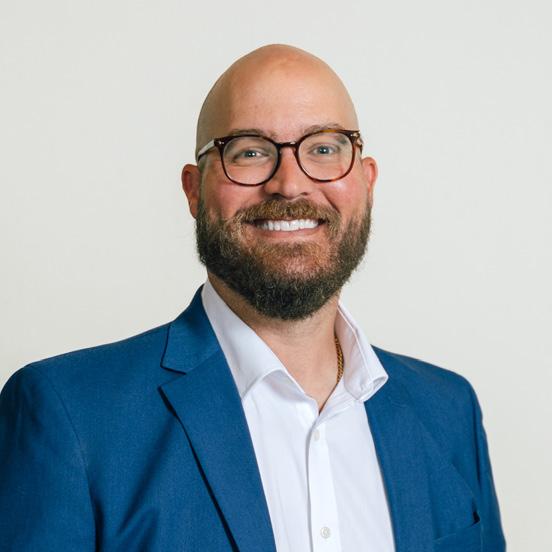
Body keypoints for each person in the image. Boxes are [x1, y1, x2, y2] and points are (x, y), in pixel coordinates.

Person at [0, 44, 505, 551]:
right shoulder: (70, 415)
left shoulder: (448, 410)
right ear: (194, 190)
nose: (290, 184)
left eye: (323, 149)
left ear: (366, 182)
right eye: (250, 151)